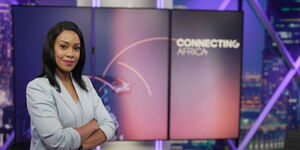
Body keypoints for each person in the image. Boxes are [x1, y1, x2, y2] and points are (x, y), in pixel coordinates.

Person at [26, 21, 116, 150]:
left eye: (76, 48)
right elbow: (57, 141)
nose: (71, 54)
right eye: (63, 46)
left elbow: (109, 126)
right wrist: (93, 125)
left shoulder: (85, 83)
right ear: (51, 49)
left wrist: (81, 146)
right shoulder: (37, 87)